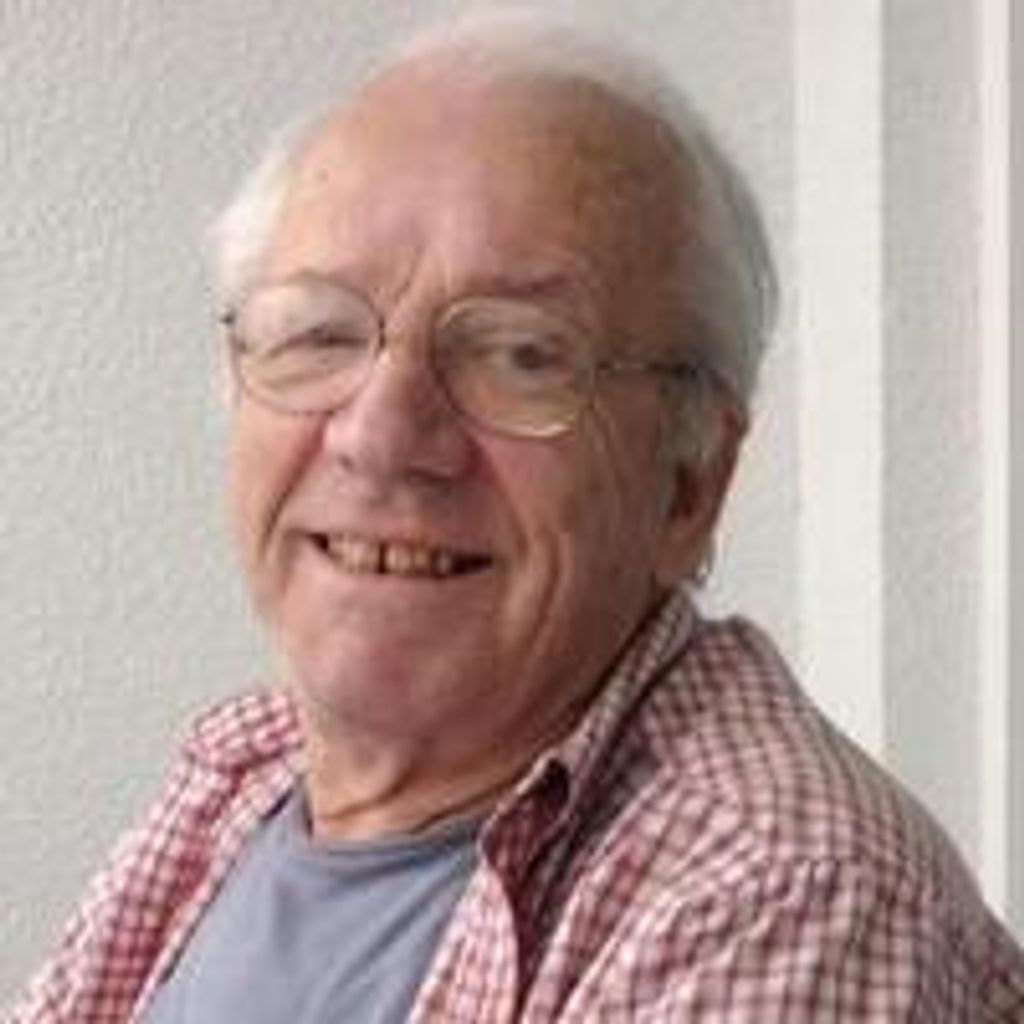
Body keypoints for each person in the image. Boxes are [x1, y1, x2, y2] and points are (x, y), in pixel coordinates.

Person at [7, 14, 1024, 1024]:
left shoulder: (780, 894)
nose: (380, 433)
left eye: (519, 354)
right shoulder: (245, 773)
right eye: (318, 332)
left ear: (690, 483)